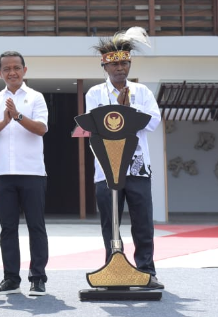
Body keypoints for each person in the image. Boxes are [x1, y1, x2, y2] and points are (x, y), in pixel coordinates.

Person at [86, 27, 164, 289]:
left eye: (124, 63)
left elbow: (153, 122)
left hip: (138, 167)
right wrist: (120, 110)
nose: (120, 68)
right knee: (111, 223)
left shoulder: (142, 92)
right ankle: (113, 268)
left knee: (143, 222)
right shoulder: (95, 93)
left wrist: (128, 109)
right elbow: (95, 125)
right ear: (105, 67)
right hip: (107, 168)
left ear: (129, 63)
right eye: (115, 64)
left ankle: (146, 270)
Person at [0, 51, 49, 296]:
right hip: (4, 174)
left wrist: (18, 116)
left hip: (32, 173)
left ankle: (38, 278)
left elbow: (41, 129)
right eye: (7, 68)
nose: (12, 72)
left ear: (24, 70)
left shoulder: (36, 97)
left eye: (16, 67)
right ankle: (11, 279)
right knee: (7, 228)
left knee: (36, 226)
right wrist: (5, 121)